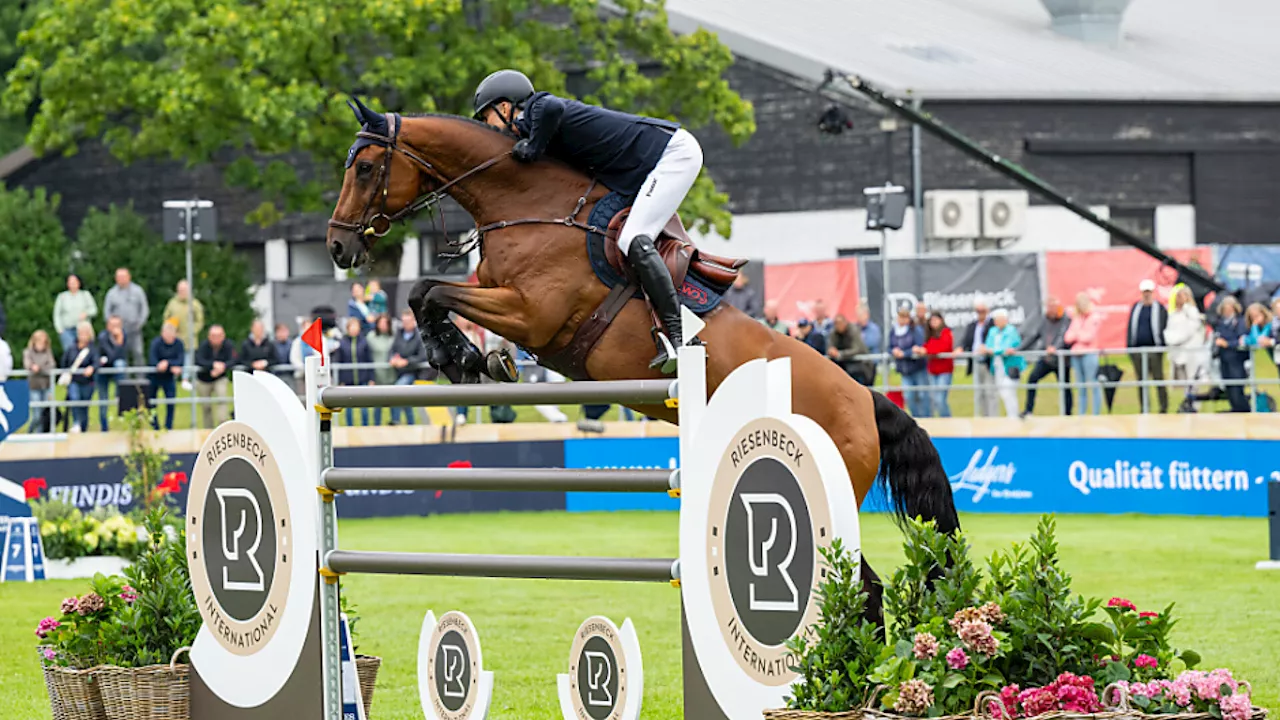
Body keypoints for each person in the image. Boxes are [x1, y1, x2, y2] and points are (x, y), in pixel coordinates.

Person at [473, 69, 700, 373]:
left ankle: (681, 337)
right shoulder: (541, 125)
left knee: (632, 237)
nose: (488, 128)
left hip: (672, 155)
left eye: (486, 118)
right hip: (643, 169)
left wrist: (532, 146)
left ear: (504, 108)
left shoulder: (536, 109)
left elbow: (551, 108)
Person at [1019, 296, 1073, 418]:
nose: (1050, 309)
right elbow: (1034, 336)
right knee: (1032, 378)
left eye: (1053, 307)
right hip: (1046, 359)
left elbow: (1063, 336)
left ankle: (1068, 413)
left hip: (1061, 360)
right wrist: (1018, 349)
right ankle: (1028, 410)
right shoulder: (1045, 319)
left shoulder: (1065, 319)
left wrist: (1055, 347)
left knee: (1065, 386)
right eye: (1049, 307)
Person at [1126, 279, 1169, 413]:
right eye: (1144, 292)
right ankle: (1144, 407)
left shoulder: (1159, 308)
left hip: (1154, 350)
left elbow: (1164, 327)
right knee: (1141, 381)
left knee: (1158, 379)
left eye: (1149, 292)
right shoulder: (1136, 308)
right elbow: (1130, 328)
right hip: (1138, 350)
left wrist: (1161, 346)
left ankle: (1163, 407)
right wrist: (1130, 348)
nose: (1146, 294)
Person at [1164, 287, 1208, 411]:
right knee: (1184, 381)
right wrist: (1170, 340)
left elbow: (1191, 329)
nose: (1180, 298)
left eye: (1183, 295)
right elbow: (1169, 330)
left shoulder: (1192, 312)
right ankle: (1187, 402)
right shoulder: (1173, 314)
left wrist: (1176, 339)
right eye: (1178, 296)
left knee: (1193, 379)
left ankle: (1194, 405)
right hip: (1178, 352)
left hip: (1191, 351)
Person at [1064, 293, 1105, 415]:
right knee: (1080, 386)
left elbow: (1089, 337)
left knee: (1093, 383)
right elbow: (1067, 337)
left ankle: (1095, 413)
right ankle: (1082, 413)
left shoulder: (1094, 318)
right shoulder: (1077, 318)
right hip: (1076, 355)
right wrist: (1078, 335)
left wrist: (1077, 335)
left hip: (1090, 354)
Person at [982, 309, 1024, 419]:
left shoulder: (1011, 331)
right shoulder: (993, 331)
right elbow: (988, 345)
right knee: (1002, 391)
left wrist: (993, 350)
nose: (997, 322)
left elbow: (1008, 347)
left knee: (1008, 391)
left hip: (1011, 367)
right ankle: (1011, 415)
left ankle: (1013, 416)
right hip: (997, 366)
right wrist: (993, 350)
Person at [102, 268, 149, 368]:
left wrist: (140, 324)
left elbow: (144, 309)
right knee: (122, 355)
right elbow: (107, 311)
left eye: (123, 277)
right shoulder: (111, 293)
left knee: (138, 353)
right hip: (118, 331)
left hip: (135, 328)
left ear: (129, 277)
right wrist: (112, 327)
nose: (121, 279)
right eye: (119, 277)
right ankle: (124, 381)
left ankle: (141, 381)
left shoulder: (138, 291)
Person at [388, 309, 428, 425]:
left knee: (397, 391)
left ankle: (395, 420)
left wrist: (406, 362)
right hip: (398, 372)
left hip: (412, 372)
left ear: (413, 321)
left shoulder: (419, 336)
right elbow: (392, 350)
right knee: (405, 399)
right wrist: (393, 359)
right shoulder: (398, 334)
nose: (405, 324)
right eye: (404, 321)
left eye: (408, 321)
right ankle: (411, 423)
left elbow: (422, 356)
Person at [889, 306, 930, 417]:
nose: (902, 320)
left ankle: (927, 417)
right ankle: (916, 417)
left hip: (918, 368)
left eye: (904, 317)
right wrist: (893, 351)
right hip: (904, 370)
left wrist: (905, 353)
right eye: (900, 317)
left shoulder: (915, 330)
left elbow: (918, 347)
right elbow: (889, 346)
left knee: (922, 395)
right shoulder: (894, 331)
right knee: (909, 396)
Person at [961, 300, 998, 417]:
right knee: (979, 392)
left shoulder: (993, 324)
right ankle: (981, 417)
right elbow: (966, 341)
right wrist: (960, 348)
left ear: (987, 311)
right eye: (978, 311)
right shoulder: (972, 325)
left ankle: (993, 418)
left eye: (982, 311)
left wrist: (986, 348)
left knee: (990, 392)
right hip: (976, 362)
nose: (980, 313)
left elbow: (995, 340)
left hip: (988, 362)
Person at [334, 317, 373, 426]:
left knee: (364, 408)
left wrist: (371, 378)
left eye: (356, 326)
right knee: (348, 409)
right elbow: (339, 362)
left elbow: (369, 360)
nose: (354, 329)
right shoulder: (342, 343)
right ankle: (349, 427)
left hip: (362, 379)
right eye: (352, 326)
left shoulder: (364, 342)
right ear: (348, 328)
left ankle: (366, 427)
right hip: (348, 381)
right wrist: (340, 381)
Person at [1213, 296, 1250, 413]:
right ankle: (1234, 407)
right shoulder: (1221, 323)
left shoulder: (1240, 322)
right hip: (1224, 359)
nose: (1227, 311)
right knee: (1228, 385)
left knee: (1237, 386)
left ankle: (1243, 409)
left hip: (1236, 359)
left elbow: (1242, 340)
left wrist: (1227, 344)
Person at [195, 325, 236, 428]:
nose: (216, 338)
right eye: (213, 336)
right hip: (204, 379)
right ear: (209, 336)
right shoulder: (204, 346)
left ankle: (223, 427)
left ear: (223, 336)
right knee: (206, 407)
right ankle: (208, 430)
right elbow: (199, 360)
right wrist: (213, 365)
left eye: (218, 335)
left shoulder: (228, 345)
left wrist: (223, 366)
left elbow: (234, 359)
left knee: (222, 399)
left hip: (220, 377)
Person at [148, 321, 185, 430]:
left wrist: (167, 364)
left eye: (171, 334)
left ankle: (169, 426)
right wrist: (170, 366)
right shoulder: (155, 343)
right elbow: (152, 361)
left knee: (170, 401)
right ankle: (154, 426)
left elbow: (180, 361)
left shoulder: (179, 344)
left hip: (169, 377)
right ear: (162, 333)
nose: (169, 336)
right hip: (154, 376)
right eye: (167, 334)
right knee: (151, 402)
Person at [61, 322, 97, 433]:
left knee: (84, 407)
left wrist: (91, 368)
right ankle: (76, 423)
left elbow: (96, 362)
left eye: (85, 333)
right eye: (81, 333)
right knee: (75, 399)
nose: (83, 336)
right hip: (74, 380)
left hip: (87, 382)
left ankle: (83, 428)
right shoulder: (71, 348)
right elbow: (64, 362)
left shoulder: (92, 349)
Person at [94, 316, 129, 431]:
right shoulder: (102, 337)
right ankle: (104, 427)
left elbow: (122, 357)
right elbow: (112, 355)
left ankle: (119, 393)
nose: (115, 328)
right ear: (107, 326)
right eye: (112, 325)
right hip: (103, 371)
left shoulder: (125, 336)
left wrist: (120, 341)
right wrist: (119, 343)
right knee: (103, 400)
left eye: (117, 325)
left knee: (120, 364)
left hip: (117, 370)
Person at [52, 274, 97, 353]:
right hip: (67, 330)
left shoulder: (85, 295)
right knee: (70, 351)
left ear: (79, 283)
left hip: (83, 329)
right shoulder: (62, 297)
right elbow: (56, 314)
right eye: (70, 282)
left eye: (74, 282)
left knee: (85, 352)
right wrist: (60, 330)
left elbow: (94, 310)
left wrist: (86, 313)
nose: (72, 284)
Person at [23, 330, 56, 433]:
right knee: (37, 414)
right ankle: (30, 431)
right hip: (34, 386)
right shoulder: (27, 352)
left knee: (44, 413)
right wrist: (34, 368)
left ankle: (39, 434)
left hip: (46, 385)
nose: (41, 345)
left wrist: (39, 368)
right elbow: (28, 366)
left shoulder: (48, 352)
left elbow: (51, 366)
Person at [923, 312, 954, 418]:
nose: (934, 322)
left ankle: (947, 420)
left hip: (944, 371)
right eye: (932, 320)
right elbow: (929, 346)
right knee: (934, 399)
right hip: (932, 371)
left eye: (936, 320)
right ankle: (943, 419)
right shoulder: (929, 335)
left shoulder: (946, 332)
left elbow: (943, 347)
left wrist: (927, 350)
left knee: (940, 399)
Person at [366, 315, 396, 426]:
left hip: (391, 375)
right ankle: (376, 426)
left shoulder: (393, 337)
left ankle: (395, 423)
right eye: (381, 323)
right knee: (377, 404)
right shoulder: (371, 337)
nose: (383, 325)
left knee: (394, 403)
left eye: (386, 323)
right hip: (377, 375)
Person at [826, 314, 872, 385]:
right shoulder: (833, 332)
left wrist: (839, 354)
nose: (838, 326)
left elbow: (857, 349)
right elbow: (830, 346)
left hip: (859, 365)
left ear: (845, 322)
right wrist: (831, 351)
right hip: (843, 365)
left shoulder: (854, 330)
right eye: (836, 324)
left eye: (840, 323)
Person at [161, 279, 205, 352]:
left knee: (189, 362)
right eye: (180, 290)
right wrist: (170, 331)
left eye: (184, 290)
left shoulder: (195, 304)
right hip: (174, 341)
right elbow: (166, 318)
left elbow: (200, 321)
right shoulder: (172, 303)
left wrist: (192, 330)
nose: (182, 292)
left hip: (190, 343)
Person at [855, 302, 882, 385]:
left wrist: (857, 345)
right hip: (857, 364)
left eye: (861, 315)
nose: (859, 317)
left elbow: (872, 342)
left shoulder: (874, 329)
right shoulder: (854, 328)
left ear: (867, 315)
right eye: (858, 315)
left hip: (870, 364)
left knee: (869, 389)